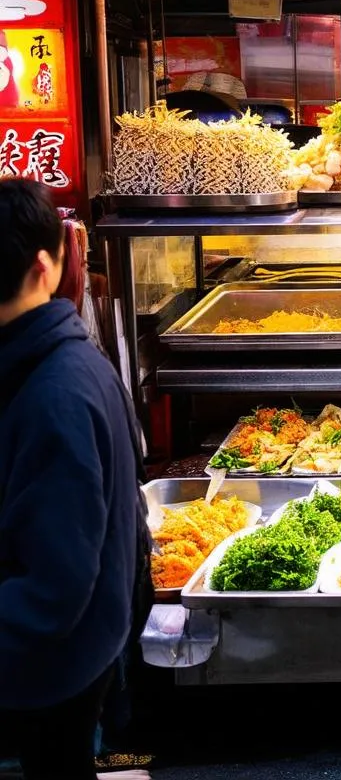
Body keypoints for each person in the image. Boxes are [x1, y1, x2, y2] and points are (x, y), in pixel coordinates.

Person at [0, 180, 146, 780]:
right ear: (48, 264)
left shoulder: (55, 392)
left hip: (55, 667)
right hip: (76, 648)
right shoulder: (60, 363)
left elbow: (55, 588)